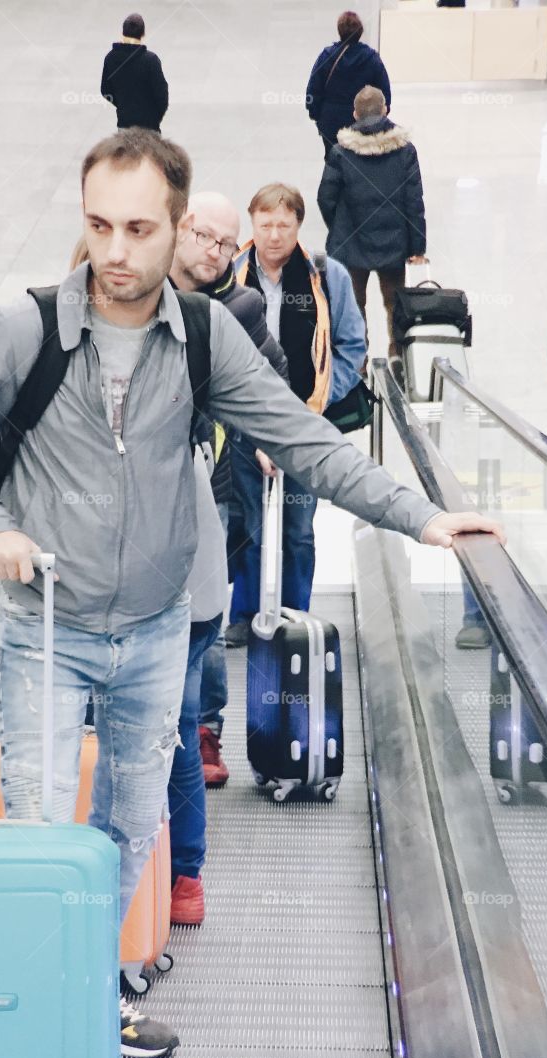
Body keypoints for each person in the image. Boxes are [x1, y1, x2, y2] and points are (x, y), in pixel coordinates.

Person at [0, 129, 504, 1058]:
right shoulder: (23, 328)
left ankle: (93, 1001)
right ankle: (29, 1032)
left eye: (140, 227)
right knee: (35, 827)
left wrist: (419, 516)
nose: (116, 250)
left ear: (178, 227)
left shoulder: (203, 336)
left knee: (126, 829)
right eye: (99, 224)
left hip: (154, 632)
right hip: (47, 629)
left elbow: (302, 439)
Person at [169, 192, 289, 797]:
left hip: (208, 481)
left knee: (204, 617)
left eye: (226, 243)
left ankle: (202, 728)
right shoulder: (142, 289)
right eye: (205, 237)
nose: (215, 252)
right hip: (133, 486)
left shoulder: (243, 305)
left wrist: (272, 436)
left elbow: (272, 372)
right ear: (179, 228)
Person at [228, 182, 367, 648]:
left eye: (283, 226)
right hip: (242, 422)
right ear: (252, 224)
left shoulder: (329, 276)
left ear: (298, 227)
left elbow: (352, 344)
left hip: (307, 424)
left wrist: (322, 399)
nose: (273, 235)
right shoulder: (231, 274)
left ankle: (294, 616)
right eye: (265, 225)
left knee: (298, 530)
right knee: (246, 524)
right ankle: (243, 614)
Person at [318, 85, 426, 376]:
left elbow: (325, 198)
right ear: (385, 110)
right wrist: (417, 246)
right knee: (395, 303)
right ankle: (397, 355)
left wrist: (338, 228)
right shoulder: (405, 151)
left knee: (355, 305)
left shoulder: (341, 152)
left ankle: (359, 361)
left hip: (351, 245)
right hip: (393, 246)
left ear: (354, 114)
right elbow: (414, 200)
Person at [306, 11, 391, 160]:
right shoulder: (372, 59)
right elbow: (385, 94)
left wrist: (317, 116)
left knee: (333, 164)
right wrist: (380, 117)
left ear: (340, 30)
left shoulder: (327, 56)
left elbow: (313, 91)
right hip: (364, 124)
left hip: (331, 125)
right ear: (360, 31)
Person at [100, 13, 169, 132]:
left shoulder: (110, 58)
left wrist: (123, 106)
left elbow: (105, 90)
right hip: (149, 128)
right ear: (143, 34)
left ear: (123, 32)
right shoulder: (151, 60)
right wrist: (154, 116)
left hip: (124, 125)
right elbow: (162, 94)